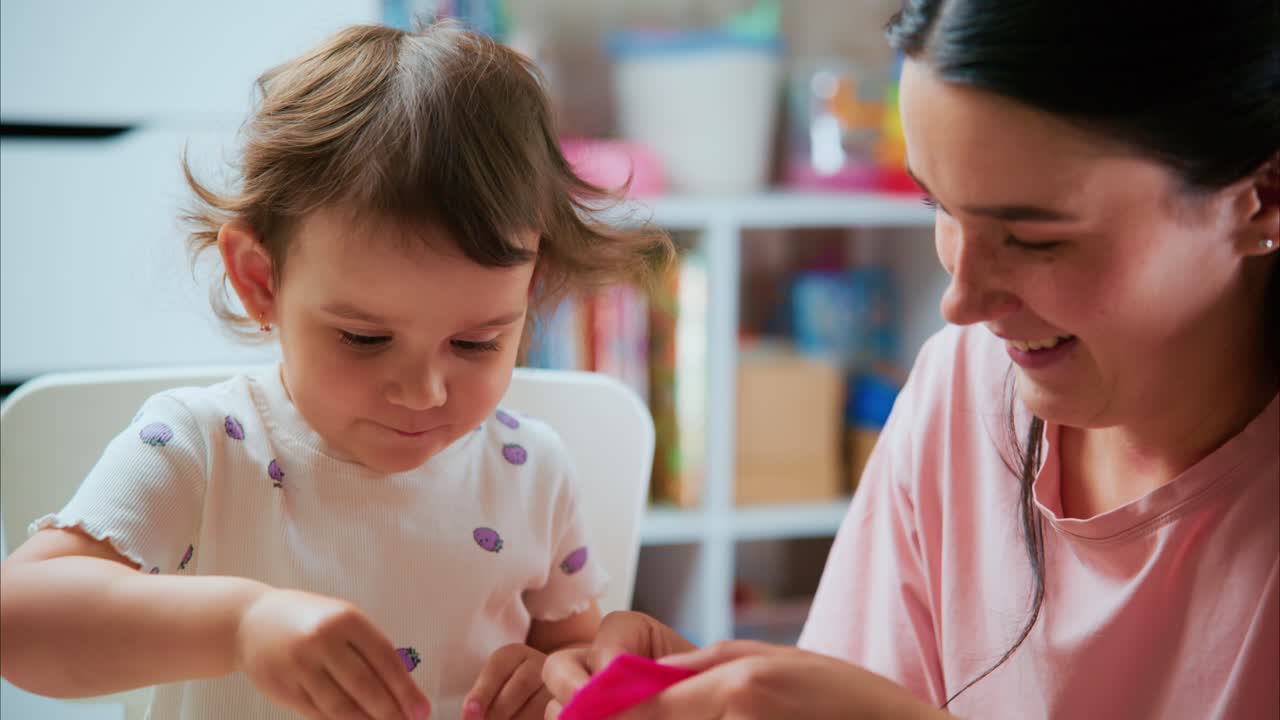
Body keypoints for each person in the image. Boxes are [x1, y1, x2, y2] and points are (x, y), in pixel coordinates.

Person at [543, 1, 1280, 717]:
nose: (961, 303)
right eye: (939, 208)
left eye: (1034, 238)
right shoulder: (965, 387)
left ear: (1262, 198)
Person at [0, 22, 671, 720]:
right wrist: (239, 625)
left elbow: (572, 653)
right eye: (363, 337)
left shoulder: (530, 469)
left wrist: (553, 675)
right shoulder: (201, 447)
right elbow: (18, 621)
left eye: (476, 343)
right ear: (261, 281)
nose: (423, 392)